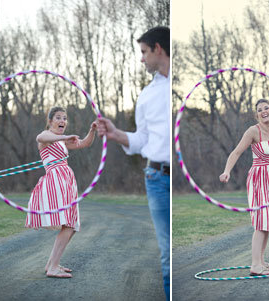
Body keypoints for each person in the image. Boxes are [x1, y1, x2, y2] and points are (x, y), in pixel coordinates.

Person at [96, 26, 170, 299]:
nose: (141, 59)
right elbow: (141, 141)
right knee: (167, 254)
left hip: (181, 179)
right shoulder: (148, 94)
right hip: (157, 179)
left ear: (158, 49)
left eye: (143, 52)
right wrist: (115, 134)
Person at [219, 99, 269, 276]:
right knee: (261, 221)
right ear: (257, 115)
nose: (263, 111)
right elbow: (236, 152)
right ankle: (255, 266)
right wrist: (226, 171)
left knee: (268, 220)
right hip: (260, 177)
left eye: (266, 108)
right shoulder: (253, 131)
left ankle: (261, 262)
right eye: (259, 110)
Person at [25, 106, 97, 278]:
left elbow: (84, 143)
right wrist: (64, 136)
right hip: (56, 181)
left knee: (71, 225)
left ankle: (51, 264)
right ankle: (53, 267)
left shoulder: (61, 140)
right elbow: (40, 136)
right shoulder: (46, 138)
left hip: (67, 181)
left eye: (64, 118)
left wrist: (91, 131)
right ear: (50, 121)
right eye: (58, 117)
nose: (62, 121)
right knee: (69, 224)